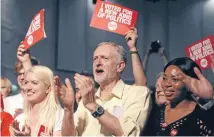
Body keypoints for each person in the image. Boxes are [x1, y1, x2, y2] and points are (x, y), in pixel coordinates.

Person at [58, 42, 152, 136]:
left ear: (119, 66)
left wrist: (93, 106)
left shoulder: (137, 93)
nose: (98, 63)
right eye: (95, 59)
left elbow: (129, 134)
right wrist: (68, 108)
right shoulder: (87, 99)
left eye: (105, 58)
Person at [153, 57, 214, 136]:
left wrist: (209, 100)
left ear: (192, 83)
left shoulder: (201, 116)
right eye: (164, 78)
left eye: (175, 79)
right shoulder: (157, 111)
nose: (166, 84)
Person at [9, 65, 64, 136]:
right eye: (26, 83)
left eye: (34, 83)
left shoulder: (59, 116)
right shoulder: (19, 119)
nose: (28, 88)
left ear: (48, 88)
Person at [3, 44, 39, 118]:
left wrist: (26, 61)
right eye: (19, 74)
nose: (22, 77)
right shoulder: (6, 101)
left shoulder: (42, 101)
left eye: (25, 73)